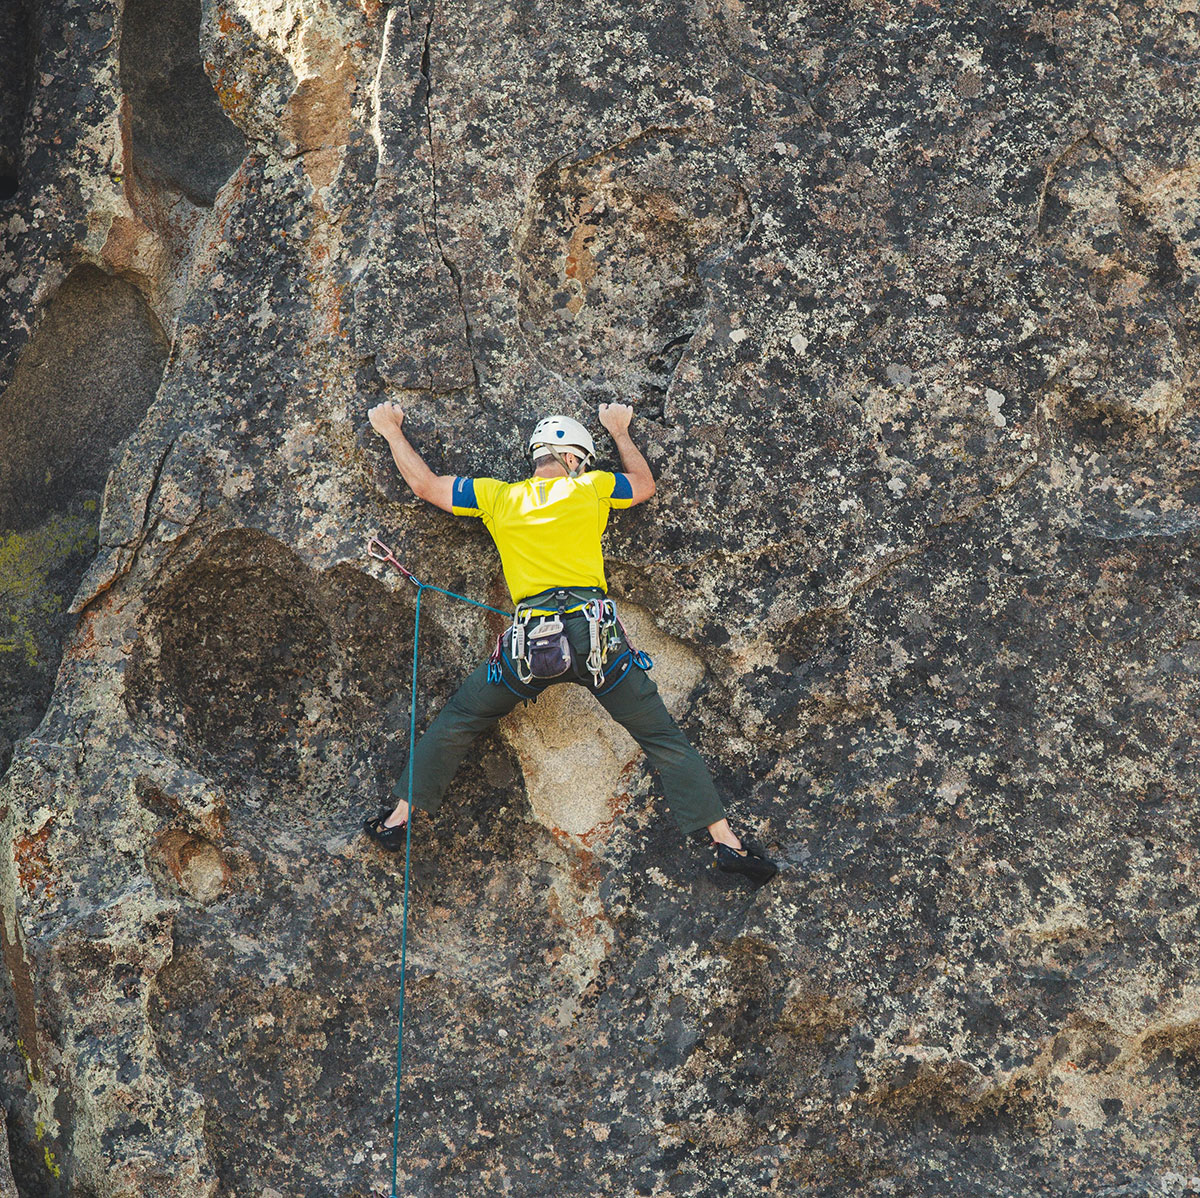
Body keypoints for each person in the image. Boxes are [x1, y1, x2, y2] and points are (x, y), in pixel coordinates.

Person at [363, 399, 777, 885]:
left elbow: (424, 485)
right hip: (594, 637)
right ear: (576, 458)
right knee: (662, 738)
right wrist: (620, 431)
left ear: (538, 455)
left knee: (461, 718)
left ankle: (397, 821)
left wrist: (391, 430)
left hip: (531, 645)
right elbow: (643, 486)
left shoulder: (498, 497)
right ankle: (727, 843)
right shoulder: (593, 486)